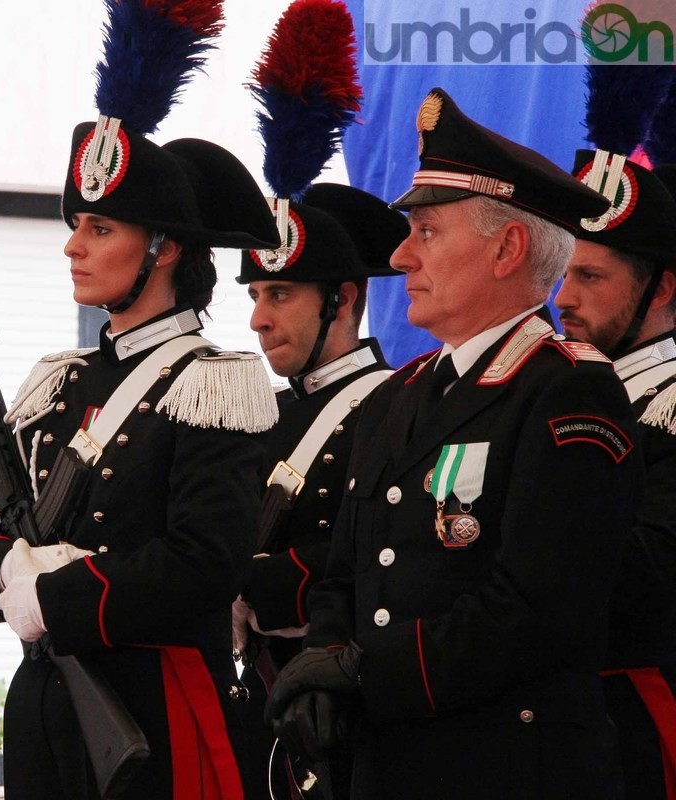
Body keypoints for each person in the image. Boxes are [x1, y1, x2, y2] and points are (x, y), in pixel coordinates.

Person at [266, 87, 643, 800]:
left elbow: (540, 610)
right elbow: (346, 574)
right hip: (386, 764)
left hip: (508, 770)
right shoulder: (394, 397)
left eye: (428, 231)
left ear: (507, 247)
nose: (403, 256)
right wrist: (321, 664)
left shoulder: (566, 392)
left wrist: (363, 670)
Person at [0, 3, 281, 798]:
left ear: (164, 248)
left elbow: (207, 561)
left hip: (151, 711)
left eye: (99, 227)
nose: (73, 244)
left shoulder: (216, 381)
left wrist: (62, 594)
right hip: (44, 706)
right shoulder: (58, 380)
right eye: (76, 225)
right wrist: (7, 577)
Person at [233, 183, 405, 799]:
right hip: (256, 701)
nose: (257, 318)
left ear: (343, 298)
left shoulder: (395, 404)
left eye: (280, 293)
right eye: (255, 295)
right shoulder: (256, 414)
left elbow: (381, 560)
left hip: (343, 712)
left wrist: (245, 587)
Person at [554, 150, 676, 800]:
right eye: (566, 274)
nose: (563, 300)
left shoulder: (669, 406)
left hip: (637, 721)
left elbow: (646, 579)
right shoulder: (563, 390)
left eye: (592, 278)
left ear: (660, 288)